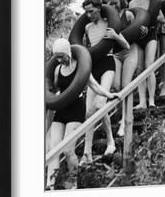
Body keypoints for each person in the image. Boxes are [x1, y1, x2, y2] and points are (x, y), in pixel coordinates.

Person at [45, 38, 118, 188]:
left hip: (76, 109)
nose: (59, 60)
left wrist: (108, 95)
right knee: (54, 148)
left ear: (68, 53)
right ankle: (49, 185)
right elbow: (55, 89)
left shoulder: (81, 67)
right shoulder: (58, 70)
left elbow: (94, 85)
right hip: (62, 109)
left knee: (67, 149)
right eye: (56, 57)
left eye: (61, 56)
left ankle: (73, 182)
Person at [81, 0, 128, 165]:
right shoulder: (86, 27)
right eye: (86, 12)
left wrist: (116, 36)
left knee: (101, 104)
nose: (89, 15)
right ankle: (87, 152)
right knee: (88, 112)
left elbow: (126, 46)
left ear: (99, 9)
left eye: (91, 11)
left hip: (108, 64)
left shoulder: (109, 22)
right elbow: (88, 48)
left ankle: (111, 142)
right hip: (93, 66)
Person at [106, 0, 139, 136]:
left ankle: (126, 121)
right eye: (110, 3)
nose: (113, 5)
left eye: (115, 2)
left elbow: (136, 31)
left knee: (126, 85)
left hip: (130, 51)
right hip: (116, 53)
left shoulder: (128, 14)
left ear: (121, 1)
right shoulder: (109, 19)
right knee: (116, 86)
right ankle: (121, 116)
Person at [128, 0, 163, 109]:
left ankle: (152, 100)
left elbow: (161, 18)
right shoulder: (131, 3)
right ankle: (142, 101)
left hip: (151, 34)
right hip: (138, 37)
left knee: (149, 65)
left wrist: (149, 23)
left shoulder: (151, 0)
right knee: (139, 68)